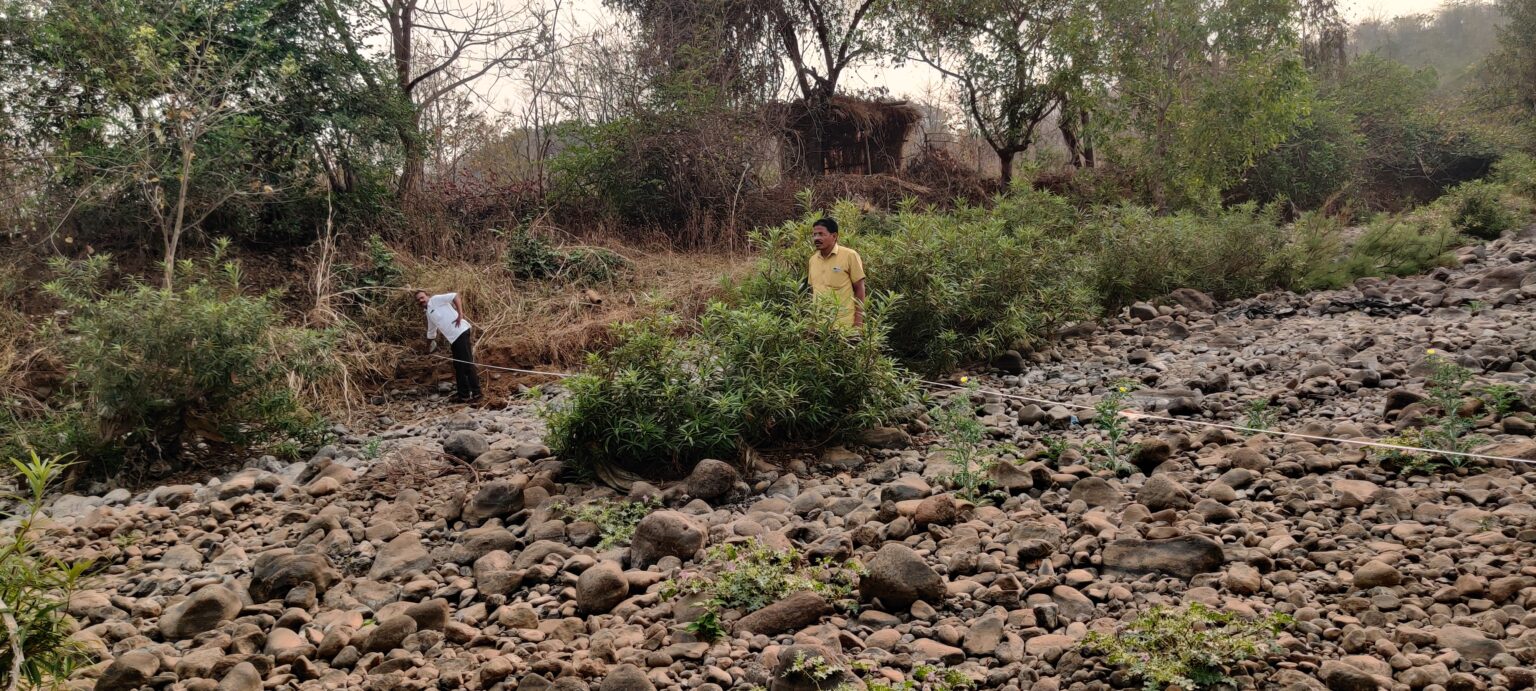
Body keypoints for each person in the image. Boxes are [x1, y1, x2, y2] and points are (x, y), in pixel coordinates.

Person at [416, 290, 482, 402]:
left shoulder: (435, 300)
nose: (421, 300)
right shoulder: (428, 313)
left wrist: (460, 314)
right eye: (418, 300)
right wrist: (427, 348)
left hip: (460, 332)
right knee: (458, 366)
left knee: (467, 363)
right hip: (453, 339)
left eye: (422, 297)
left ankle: (477, 394)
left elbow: (455, 296)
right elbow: (431, 332)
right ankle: (463, 395)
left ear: (427, 296)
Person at [807, 217, 866, 327]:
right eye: (814, 235)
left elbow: (860, 289)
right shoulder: (813, 260)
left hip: (843, 326)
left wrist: (858, 324)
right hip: (820, 326)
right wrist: (812, 323)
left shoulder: (850, 255)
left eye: (821, 234)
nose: (816, 238)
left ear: (834, 236)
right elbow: (812, 291)